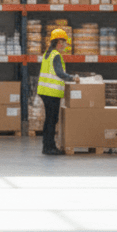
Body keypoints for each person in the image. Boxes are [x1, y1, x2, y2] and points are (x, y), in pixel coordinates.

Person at [37, 28, 79, 157]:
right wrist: (73, 78)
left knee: (49, 119)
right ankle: (49, 148)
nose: (65, 45)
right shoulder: (56, 55)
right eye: (64, 42)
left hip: (45, 91)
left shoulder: (47, 54)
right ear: (59, 42)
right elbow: (59, 73)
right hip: (51, 92)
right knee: (52, 120)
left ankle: (47, 146)